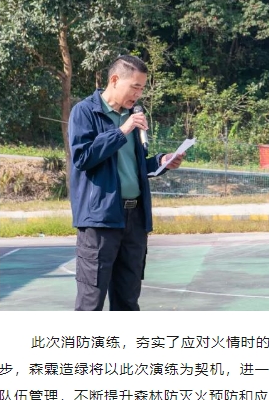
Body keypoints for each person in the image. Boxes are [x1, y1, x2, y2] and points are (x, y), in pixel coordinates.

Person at [68, 55, 185, 310]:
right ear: (114, 80)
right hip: (100, 221)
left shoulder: (134, 115)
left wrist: (162, 161)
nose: (138, 94)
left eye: (142, 89)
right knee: (91, 302)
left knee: (128, 301)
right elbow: (83, 157)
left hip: (135, 220)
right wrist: (122, 130)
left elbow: (135, 165)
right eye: (135, 87)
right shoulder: (85, 112)